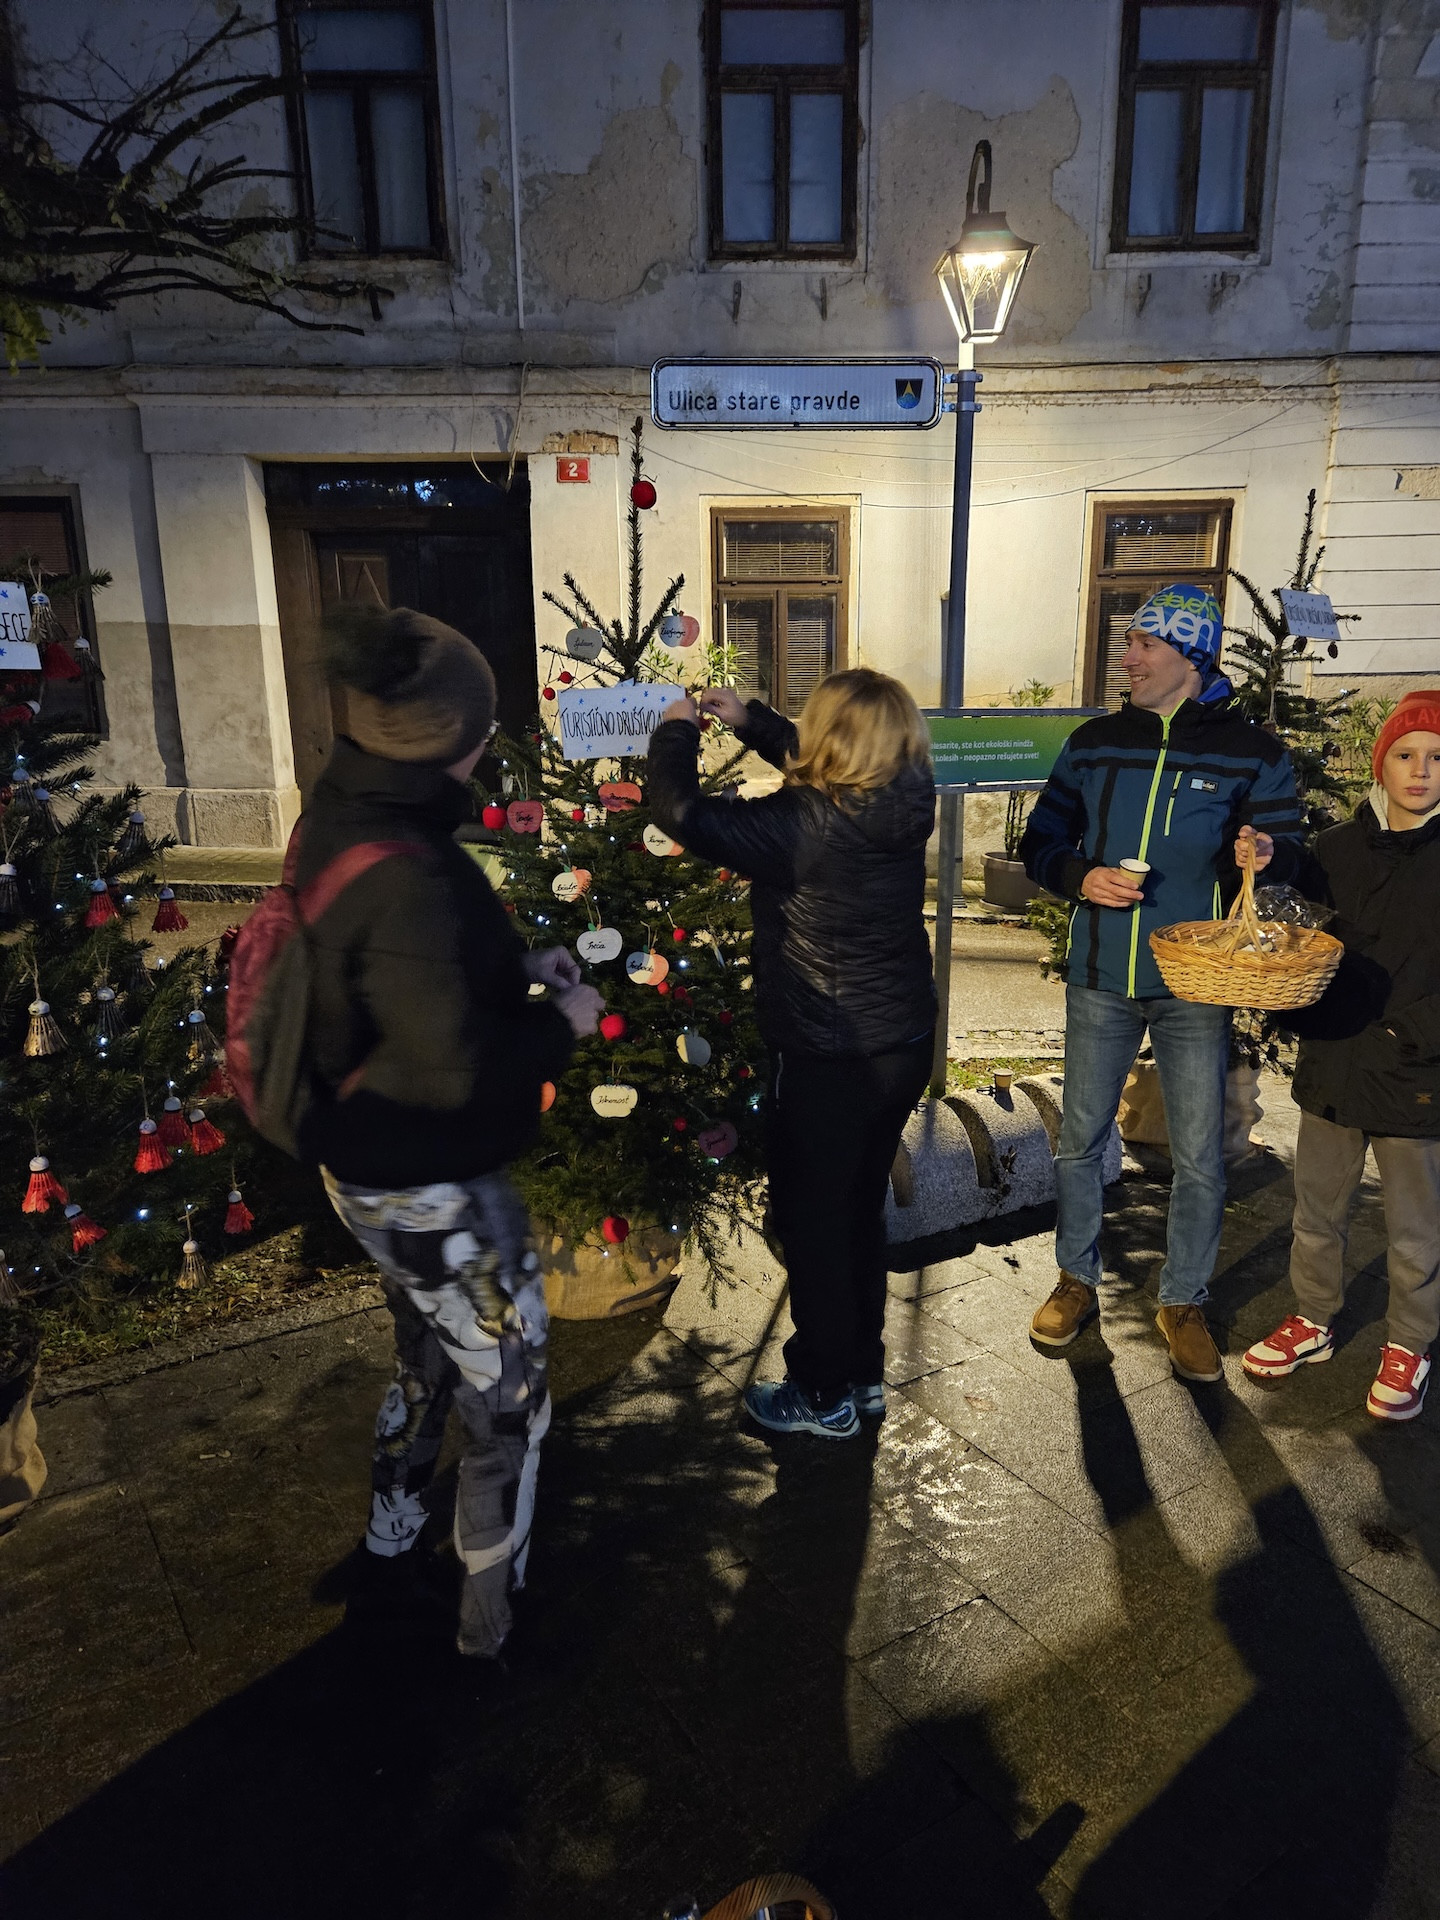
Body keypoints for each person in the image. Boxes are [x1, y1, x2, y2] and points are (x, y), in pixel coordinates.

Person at [300, 606, 603, 1657]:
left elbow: (395, 982)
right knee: (510, 1398)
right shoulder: (415, 874)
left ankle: (391, 1538)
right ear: (458, 732)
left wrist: (517, 967)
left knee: (426, 1350)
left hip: (362, 1172)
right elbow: (452, 1070)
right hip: (434, 1184)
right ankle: (490, 1617)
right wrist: (557, 1025)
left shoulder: (345, 812)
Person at [1020, 583, 1303, 1380]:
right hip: (1102, 972)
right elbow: (1042, 838)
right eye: (1133, 642)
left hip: (1194, 982)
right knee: (1080, 1142)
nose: (1129, 656)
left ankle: (1183, 1298)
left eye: (1145, 645)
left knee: (1201, 1158)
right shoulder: (1096, 740)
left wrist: (1266, 855)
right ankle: (1076, 1281)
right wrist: (1081, 876)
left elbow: (1290, 853)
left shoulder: (1253, 751)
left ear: (1189, 657)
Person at [648, 668, 935, 1439]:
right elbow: (821, 761)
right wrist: (753, 721)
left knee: (814, 1225)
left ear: (834, 739)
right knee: (856, 1213)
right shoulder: (909, 797)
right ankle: (861, 1375)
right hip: (901, 1042)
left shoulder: (801, 825)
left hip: (828, 1053)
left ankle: (820, 1393)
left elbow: (682, 812)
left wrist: (676, 728)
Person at [1243, 693, 1440, 1420]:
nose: (1420, 771)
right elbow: (1296, 925)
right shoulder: (1334, 848)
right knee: (1316, 1210)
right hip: (1331, 1064)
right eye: (1405, 753)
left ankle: (1411, 1341)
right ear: (1382, 761)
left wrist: (1409, 1036)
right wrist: (1263, 861)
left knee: (1417, 1227)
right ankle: (1314, 1318)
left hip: (1416, 1076)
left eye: (1437, 757)